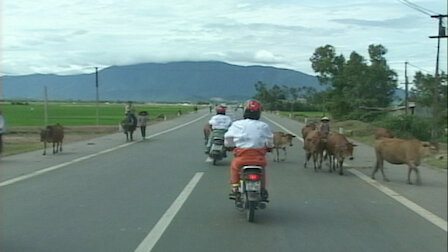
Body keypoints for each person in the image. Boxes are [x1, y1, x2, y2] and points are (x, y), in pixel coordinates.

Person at [224, 100, 273, 201]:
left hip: (242, 158)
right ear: (259, 113)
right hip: (258, 158)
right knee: (262, 171)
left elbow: (228, 138)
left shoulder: (237, 124)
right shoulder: (264, 126)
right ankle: (262, 189)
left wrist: (229, 146)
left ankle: (235, 188)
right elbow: (269, 140)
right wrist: (269, 147)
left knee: (234, 167)